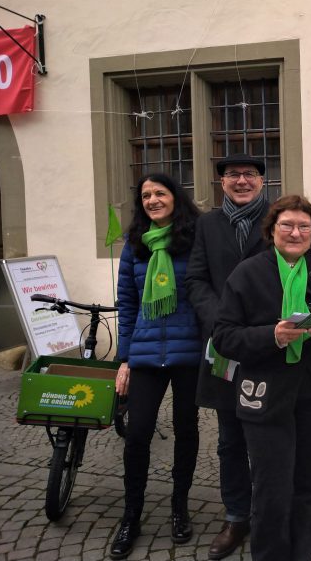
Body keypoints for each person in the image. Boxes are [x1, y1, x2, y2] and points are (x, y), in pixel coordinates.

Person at [212, 195, 311, 561]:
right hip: (266, 396)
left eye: (304, 227)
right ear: (272, 230)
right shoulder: (248, 272)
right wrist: (271, 336)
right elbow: (224, 336)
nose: (295, 233)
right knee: (271, 491)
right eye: (287, 225)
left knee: (310, 489)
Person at [111, 174, 201, 560]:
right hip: (146, 354)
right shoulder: (135, 245)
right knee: (138, 433)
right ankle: (131, 515)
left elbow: (206, 294)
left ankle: (179, 506)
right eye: (145, 195)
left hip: (189, 352)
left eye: (159, 193)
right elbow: (127, 305)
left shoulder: (194, 241)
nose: (152, 200)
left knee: (186, 429)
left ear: (174, 197)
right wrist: (125, 359)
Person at [185, 153, 268, 560]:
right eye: (232, 175)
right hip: (222, 345)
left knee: (271, 436)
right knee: (230, 439)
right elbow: (197, 278)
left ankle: (269, 511)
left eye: (249, 174)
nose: (241, 180)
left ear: (262, 181)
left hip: (270, 342)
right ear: (221, 183)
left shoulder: (279, 217)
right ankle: (236, 517)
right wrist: (220, 319)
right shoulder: (208, 225)